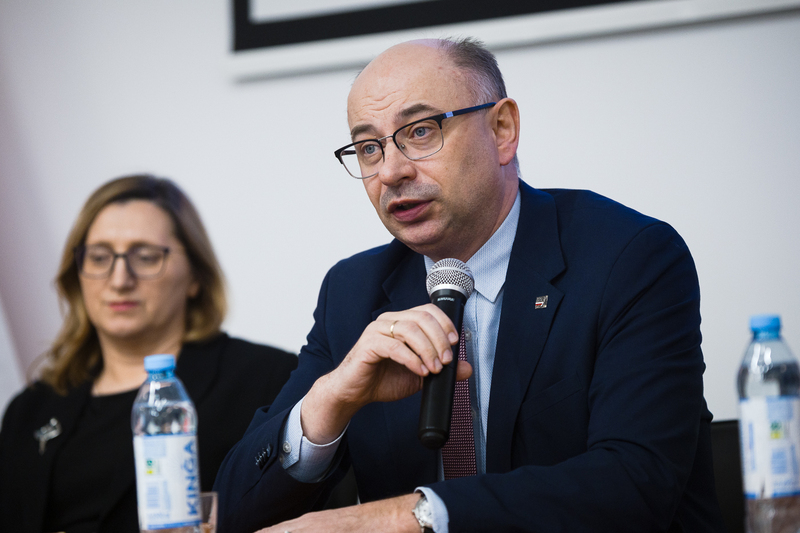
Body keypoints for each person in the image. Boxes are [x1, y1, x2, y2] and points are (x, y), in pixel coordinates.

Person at [214, 38, 726, 532]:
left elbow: (635, 485)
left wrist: (409, 517)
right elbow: (236, 516)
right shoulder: (354, 292)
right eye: (369, 148)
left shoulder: (627, 257)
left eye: (420, 131)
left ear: (502, 130)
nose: (391, 171)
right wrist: (330, 400)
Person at [0, 174, 297, 533]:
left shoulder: (267, 379)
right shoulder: (29, 411)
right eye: (99, 257)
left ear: (194, 277)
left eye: (144, 256)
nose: (119, 279)